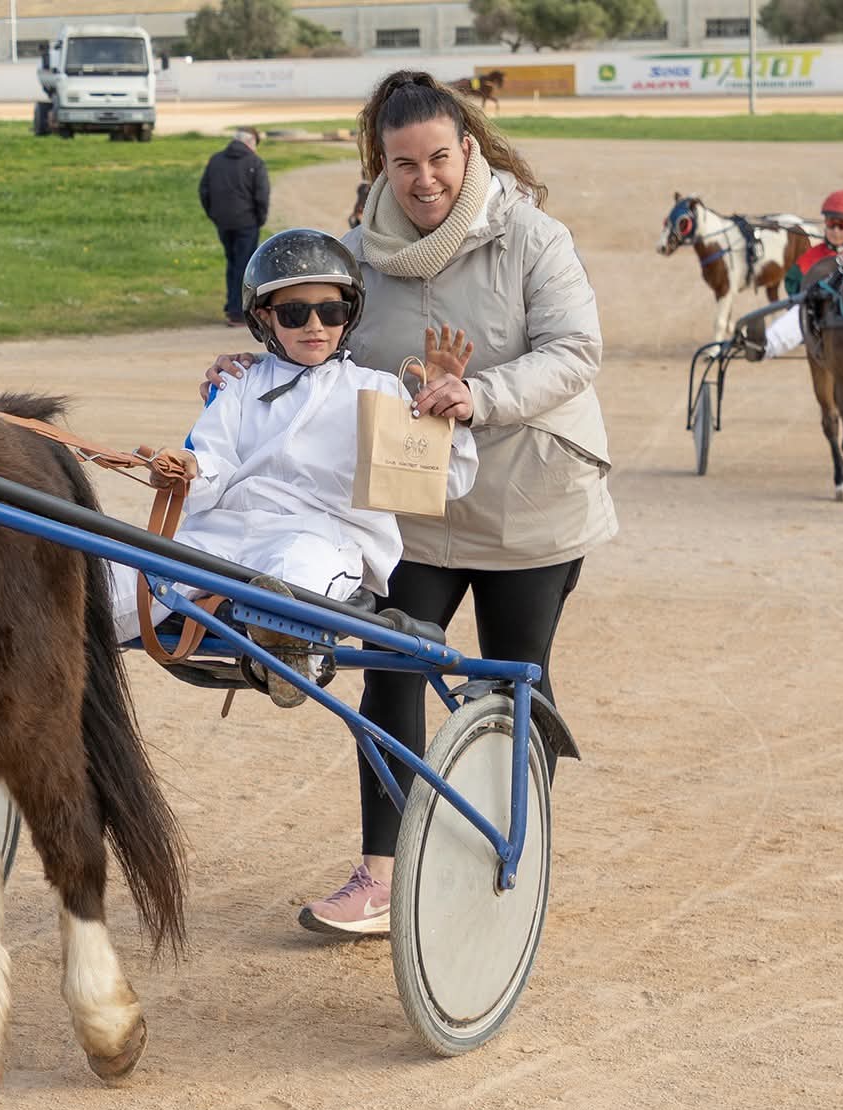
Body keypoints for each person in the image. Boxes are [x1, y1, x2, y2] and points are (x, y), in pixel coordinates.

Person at [203, 69, 614, 936]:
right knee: (389, 669)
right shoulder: (356, 256)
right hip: (412, 508)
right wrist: (255, 369)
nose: (425, 179)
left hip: (529, 500)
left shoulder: (532, 238)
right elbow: (316, 334)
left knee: (513, 681)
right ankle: (384, 874)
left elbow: (577, 350)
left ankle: (513, 852)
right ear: (380, 165)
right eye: (404, 163)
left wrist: (481, 394)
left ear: (467, 151)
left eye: (439, 159)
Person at [112, 228, 478, 707]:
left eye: (331, 311)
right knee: (115, 577)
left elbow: (444, 482)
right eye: (294, 313)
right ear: (264, 317)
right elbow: (214, 461)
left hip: (322, 535)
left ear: (349, 314)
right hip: (224, 535)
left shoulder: (378, 390)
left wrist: (442, 414)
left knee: (296, 572)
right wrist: (188, 469)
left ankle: (282, 649)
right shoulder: (240, 382)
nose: (315, 326)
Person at [731, 188, 843, 361]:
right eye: (831, 224)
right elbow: (793, 283)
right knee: (800, 313)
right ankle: (764, 347)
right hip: (822, 314)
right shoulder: (812, 256)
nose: (836, 230)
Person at [199, 128, 271, 327]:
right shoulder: (255, 163)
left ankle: (232, 307)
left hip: (223, 221)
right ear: (251, 142)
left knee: (232, 263)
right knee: (244, 266)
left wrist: (214, 215)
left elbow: (204, 191)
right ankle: (238, 312)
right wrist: (260, 218)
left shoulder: (216, 160)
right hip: (247, 222)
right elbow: (262, 196)